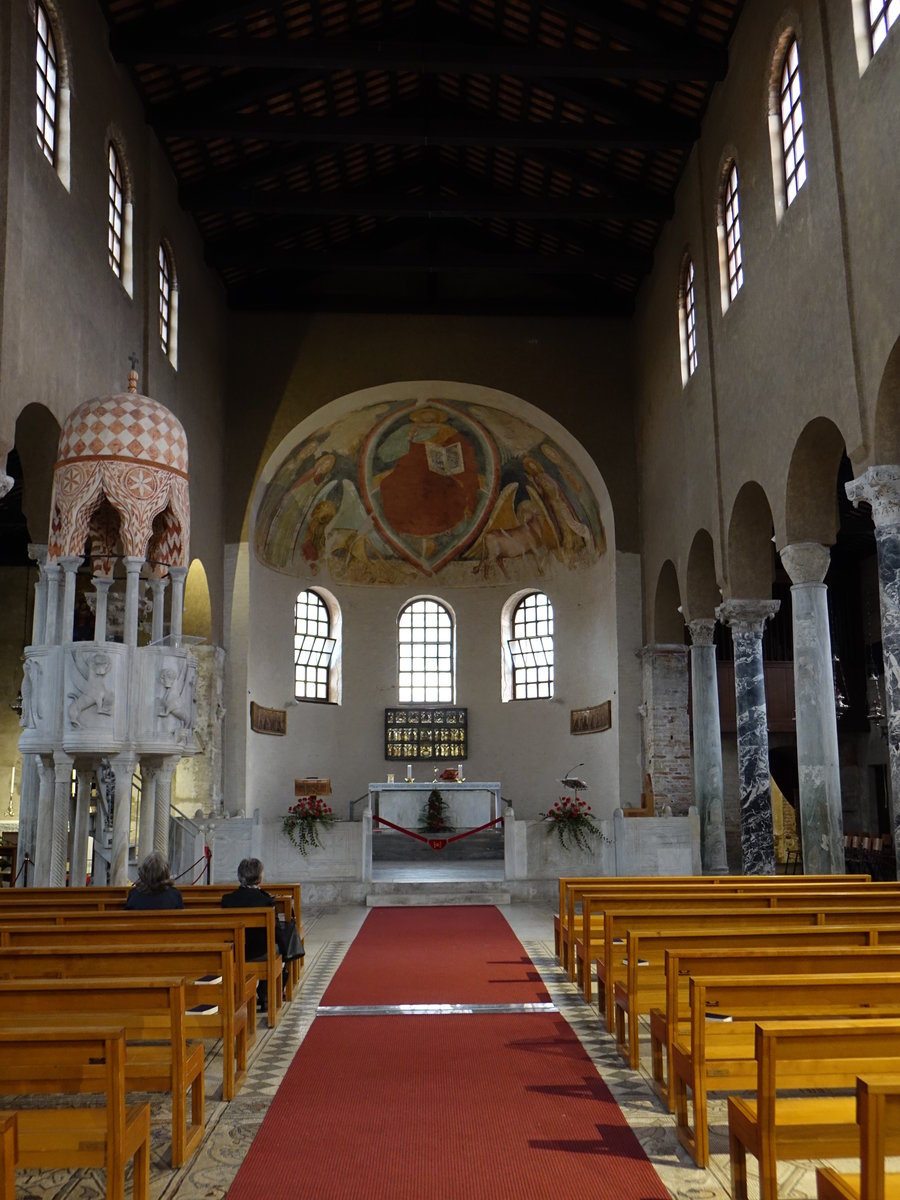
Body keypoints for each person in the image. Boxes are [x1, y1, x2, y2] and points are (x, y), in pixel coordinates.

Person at [221, 857, 280, 1011]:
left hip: (234, 953)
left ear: (239, 876)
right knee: (276, 949)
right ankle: (265, 995)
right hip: (259, 952)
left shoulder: (227, 900)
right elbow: (275, 931)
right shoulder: (266, 900)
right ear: (260, 878)